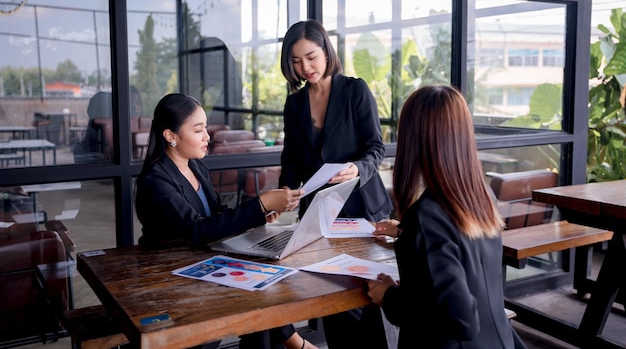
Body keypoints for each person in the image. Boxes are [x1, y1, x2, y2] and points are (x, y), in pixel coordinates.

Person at [135, 93, 317, 349]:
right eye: (198, 130)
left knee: (264, 283)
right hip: (172, 277)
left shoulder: (195, 166)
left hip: (204, 262)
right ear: (171, 136)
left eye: (205, 128)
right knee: (257, 292)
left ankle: (292, 341)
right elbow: (198, 229)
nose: (207, 136)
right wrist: (261, 203)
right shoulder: (156, 181)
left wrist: (262, 214)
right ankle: (295, 342)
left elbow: (218, 213)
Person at [366, 85, 528, 349]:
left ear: (413, 139)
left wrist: (389, 296)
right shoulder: (481, 196)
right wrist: (407, 232)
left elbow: (460, 320)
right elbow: (463, 256)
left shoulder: (427, 216)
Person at [278, 19, 394, 349]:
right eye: (297, 61)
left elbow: (376, 147)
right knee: (329, 298)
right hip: (320, 216)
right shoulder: (295, 104)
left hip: (364, 211)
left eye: (312, 57)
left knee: (369, 298)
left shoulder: (354, 90)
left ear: (327, 52)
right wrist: (284, 192)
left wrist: (356, 169)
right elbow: (291, 160)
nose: (306, 67)